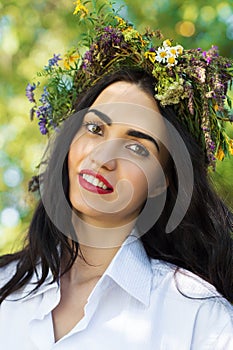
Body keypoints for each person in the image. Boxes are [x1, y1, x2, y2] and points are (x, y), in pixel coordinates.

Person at [1, 2, 233, 349]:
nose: (103, 157)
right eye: (95, 128)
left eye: (137, 148)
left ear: (162, 179)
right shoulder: (6, 289)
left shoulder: (201, 321)